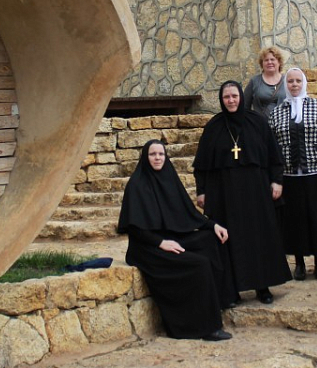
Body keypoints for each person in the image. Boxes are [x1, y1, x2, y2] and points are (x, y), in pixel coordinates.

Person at [117, 140, 232, 341]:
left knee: (209, 241)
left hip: (169, 237)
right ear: (145, 157)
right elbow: (136, 229)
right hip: (146, 247)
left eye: (161, 154)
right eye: (153, 154)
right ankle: (206, 327)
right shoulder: (137, 185)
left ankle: (220, 301)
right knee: (199, 263)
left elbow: (188, 212)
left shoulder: (168, 177)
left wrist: (212, 225)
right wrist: (161, 243)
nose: (157, 158)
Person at [193, 81, 290, 304]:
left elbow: (274, 155)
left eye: (234, 96)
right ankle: (232, 290)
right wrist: (202, 192)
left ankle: (262, 286)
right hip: (223, 193)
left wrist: (277, 181)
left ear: (241, 97)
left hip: (255, 191)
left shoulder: (257, 122)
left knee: (258, 236)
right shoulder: (214, 127)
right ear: (221, 100)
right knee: (229, 240)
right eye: (226, 97)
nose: (231, 100)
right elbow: (202, 165)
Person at [268, 68, 317, 281]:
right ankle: (299, 263)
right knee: (294, 219)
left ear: (304, 83)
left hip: (314, 173)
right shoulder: (277, 112)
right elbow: (271, 146)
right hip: (289, 176)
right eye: (290, 81)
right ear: (285, 84)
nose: (294, 84)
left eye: (298, 81)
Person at [245, 46, 289, 118]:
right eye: (266, 60)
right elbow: (245, 106)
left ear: (279, 62)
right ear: (262, 63)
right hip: (260, 123)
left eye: (272, 59)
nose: (269, 62)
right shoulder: (254, 81)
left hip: (283, 123)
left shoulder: (287, 81)